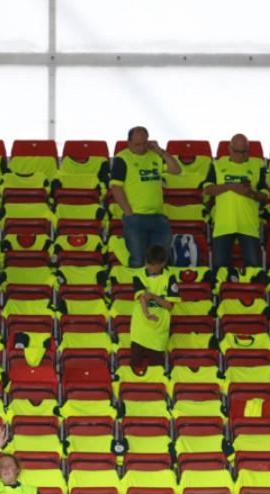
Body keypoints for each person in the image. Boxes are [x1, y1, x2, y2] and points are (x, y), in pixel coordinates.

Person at [110, 126, 182, 267]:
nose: (141, 147)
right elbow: (116, 187)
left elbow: (176, 169)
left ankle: (158, 288)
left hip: (158, 217)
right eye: (137, 144)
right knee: (138, 261)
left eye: (144, 143)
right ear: (128, 142)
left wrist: (160, 151)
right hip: (136, 218)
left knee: (160, 261)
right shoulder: (122, 158)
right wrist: (129, 213)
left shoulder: (155, 156)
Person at [203, 134, 269, 269]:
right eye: (236, 151)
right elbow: (207, 190)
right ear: (229, 148)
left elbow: (265, 196)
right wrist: (230, 186)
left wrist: (250, 193)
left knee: (254, 270)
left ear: (248, 149)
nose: (240, 155)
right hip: (223, 225)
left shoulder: (258, 164)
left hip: (249, 225)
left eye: (244, 152)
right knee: (220, 271)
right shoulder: (217, 164)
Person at [130, 245, 179, 369]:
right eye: (148, 263)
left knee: (157, 367)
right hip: (140, 326)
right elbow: (141, 297)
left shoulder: (170, 278)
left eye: (154, 264)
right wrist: (146, 313)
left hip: (159, 328)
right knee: (135, 364)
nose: (150, 267)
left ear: (162, 263)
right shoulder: (138, 275)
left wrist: (154, 296)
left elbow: (169, 306)